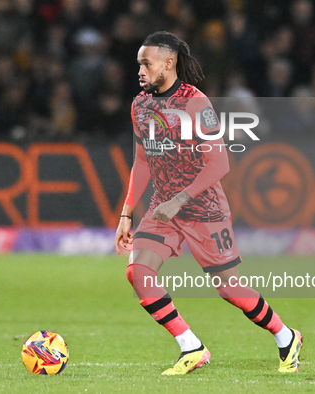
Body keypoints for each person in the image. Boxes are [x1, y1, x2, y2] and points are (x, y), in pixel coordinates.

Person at [114, 31, 303, 376]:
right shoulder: (140, 104)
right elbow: (142, 160)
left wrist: (181, 198)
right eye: (138, 63)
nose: (139, 70)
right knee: (137, 272)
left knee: (230, 289)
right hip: (163, 206)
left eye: (146, 63)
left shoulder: (195, 103)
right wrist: (127, 212)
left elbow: (219, 164)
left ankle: (286, 335)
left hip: (203, 206)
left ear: (168, 63)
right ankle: (192, 347)